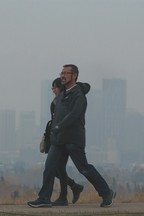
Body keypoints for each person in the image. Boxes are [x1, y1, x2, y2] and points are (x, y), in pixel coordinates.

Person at [28, 64, 116, 208]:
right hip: (58, 140)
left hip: (73, 140)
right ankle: (44, 198)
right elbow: (57, 114)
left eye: (66, 73)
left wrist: (58, 126)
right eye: (61, 72)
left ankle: (106, 193)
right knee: (50, 167)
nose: (62, 75)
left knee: (84, 168)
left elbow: (74, 115)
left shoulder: (78, 95)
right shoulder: (63, 93)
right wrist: (51, 133)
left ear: (74, 76)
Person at [40, 77, 83, 206]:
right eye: (52, 87)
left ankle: (69, 191)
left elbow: (68, 118)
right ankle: (70, 190)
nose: (53, 90)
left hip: (66, 139)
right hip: (57, 138)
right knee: (58, 168)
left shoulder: (66, 101)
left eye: (55, 87)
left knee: (58, 168)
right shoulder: (56, 102)